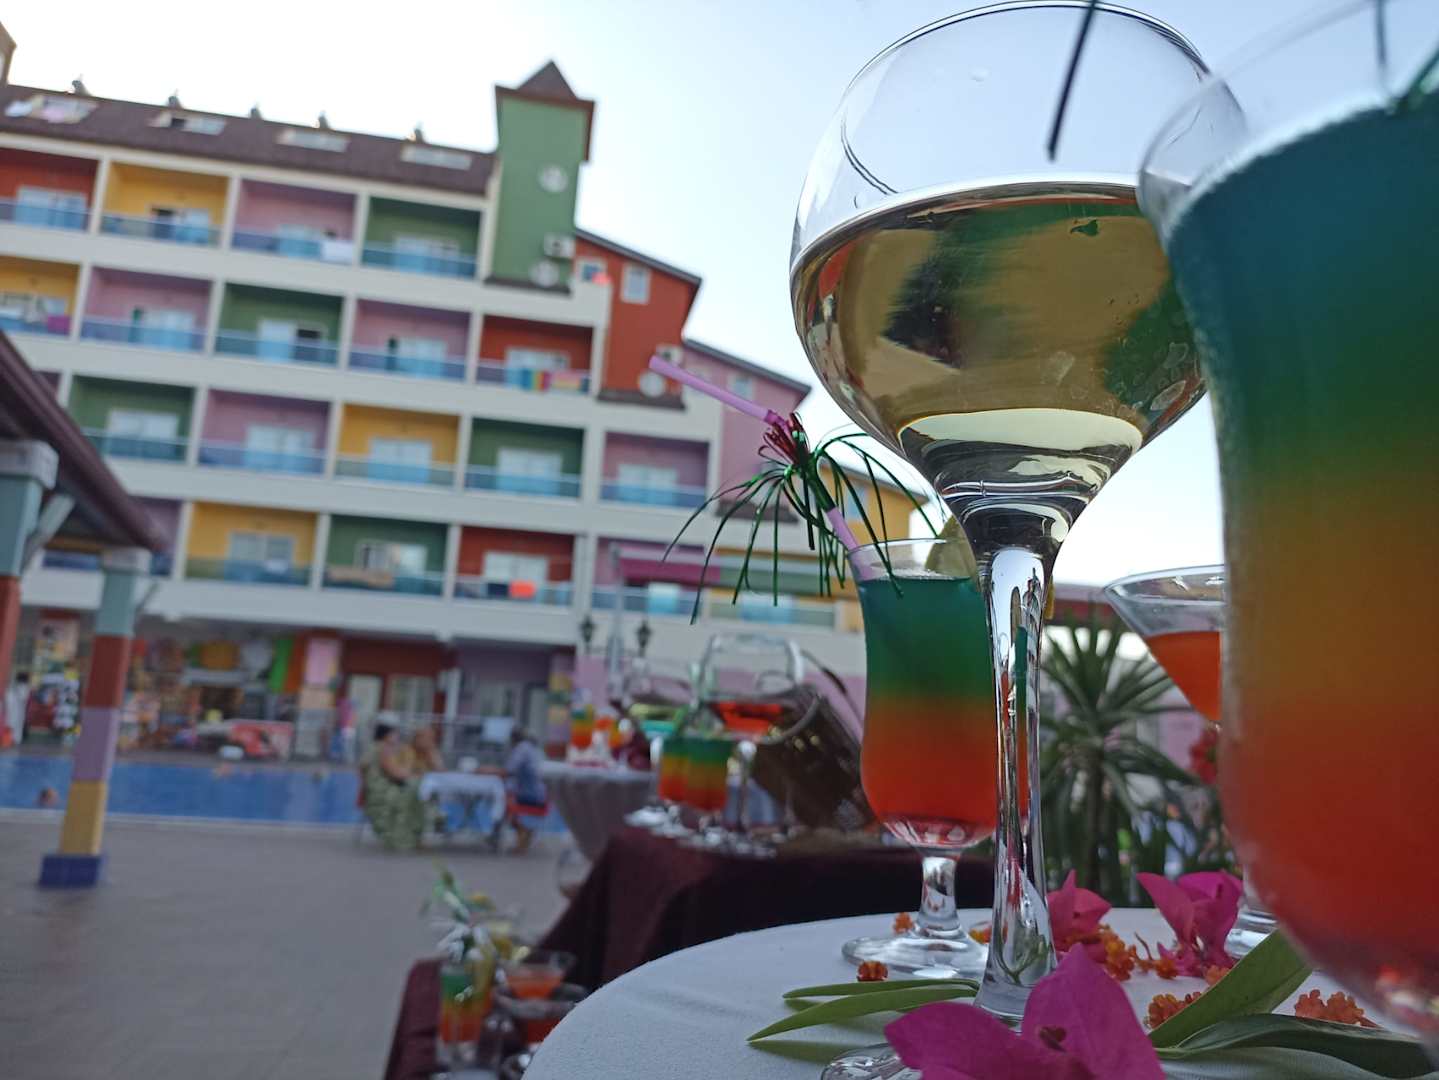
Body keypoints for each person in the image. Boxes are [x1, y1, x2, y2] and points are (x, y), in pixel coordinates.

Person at [360, 723, 428, 850]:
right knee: (417, 793)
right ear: (387, 735)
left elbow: (363, 770)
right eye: (395, 734)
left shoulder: (372, 748)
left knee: (416, 790)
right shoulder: (384, 749)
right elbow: (396, 774)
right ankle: (411, 836)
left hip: (373, 791)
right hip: (382, 793)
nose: (397, 737)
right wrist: (410, 766)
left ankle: (414, 834)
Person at [501, 727, 547, 854]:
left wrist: (487, 770)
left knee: (503, 804)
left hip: (531, 796)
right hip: (542, 795)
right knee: (507, 797)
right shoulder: (536, 750)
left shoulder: (522, 748)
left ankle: (523, 834)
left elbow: (509, 771)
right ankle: (525, 834)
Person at [3, 674, 30, 749]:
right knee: (11, 724)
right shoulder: (13, 687)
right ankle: (9, 740)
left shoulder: (24, 687)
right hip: (13, 710)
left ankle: (14, 740)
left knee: (15, 726)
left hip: (18, 710)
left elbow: (23, 697)